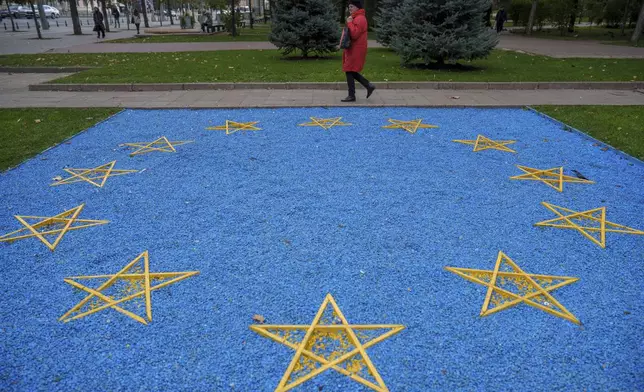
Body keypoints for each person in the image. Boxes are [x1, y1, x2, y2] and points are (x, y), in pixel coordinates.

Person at [341, 0, 375, 103]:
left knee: (349, 69)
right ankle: (368, 86)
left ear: (357, 7)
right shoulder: (356, 17)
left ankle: (352, 95)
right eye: (349, 7)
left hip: (356, 49)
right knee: (350, 70)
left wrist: (350, 22)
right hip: (353, 48)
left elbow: (355, 34)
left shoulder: (360, 18)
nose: (349, 8)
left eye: (351, 6)